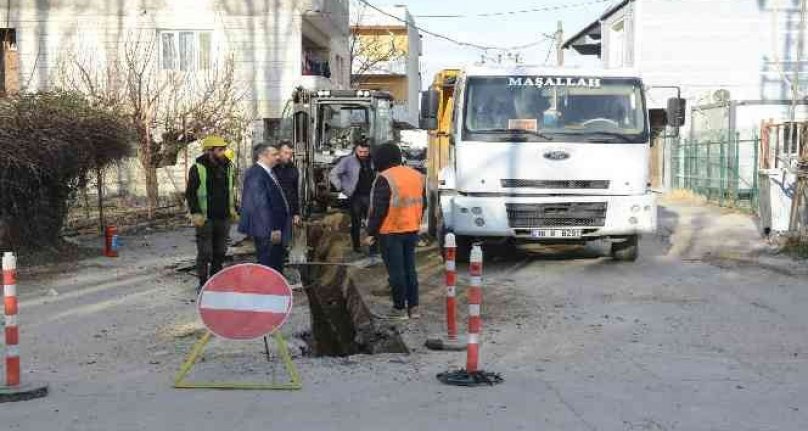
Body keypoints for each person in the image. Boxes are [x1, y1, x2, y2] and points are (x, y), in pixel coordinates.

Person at [365, 143, 425, 320]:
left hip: (390, 231)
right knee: (410, 269)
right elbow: (424, 203)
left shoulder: (385, 178)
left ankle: (399, 309)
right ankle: (414, 308)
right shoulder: (416, 176)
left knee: (396, 271)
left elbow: (379, 210)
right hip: (412, 229)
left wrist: (370, 233)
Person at [186, 135, 237, 293]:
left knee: (220, 252)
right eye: (219, 150)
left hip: (223, 216)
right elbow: (191, 193)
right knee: (205, 252)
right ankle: (202, 281)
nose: (223, 152)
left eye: (224, 149)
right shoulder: (198, 168)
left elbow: (230, 190)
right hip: (205, 218)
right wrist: (195, 213)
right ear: (209, 151)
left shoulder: (228, 166)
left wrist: (233, 210)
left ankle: (215, 280)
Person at [238, 144, 290, 273]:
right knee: (268, 263)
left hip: (271, 228)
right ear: (261, 156)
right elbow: (261, 206)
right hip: (267, 230)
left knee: (276, 261)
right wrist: (273, 228)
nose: (278, 157)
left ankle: (276, 286)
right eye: (274, 155)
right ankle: (269, 289)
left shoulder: (267, 172)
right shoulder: (256, 174)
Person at [329, 140, 377, 255]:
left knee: (372, 222)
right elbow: (333, 173)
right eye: (360, 151)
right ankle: (357, 247)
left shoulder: (373, 161)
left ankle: (373, 247)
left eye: (365, 152)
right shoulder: (348, 161)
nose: (363, 154)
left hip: (370, 195)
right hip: (355, 196)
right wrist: (340, 187)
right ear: (356, 150)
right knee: (356, 222)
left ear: (369, 151)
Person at [273, 141, 301, 227]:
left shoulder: (293, 170)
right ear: (278, 152)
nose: (288, 156)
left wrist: (296, 213)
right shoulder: (271, 168)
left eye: (290, 154)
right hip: (272, 214)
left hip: (287, 214)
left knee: (286, 240)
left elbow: (295, 193)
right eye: (285, 153)